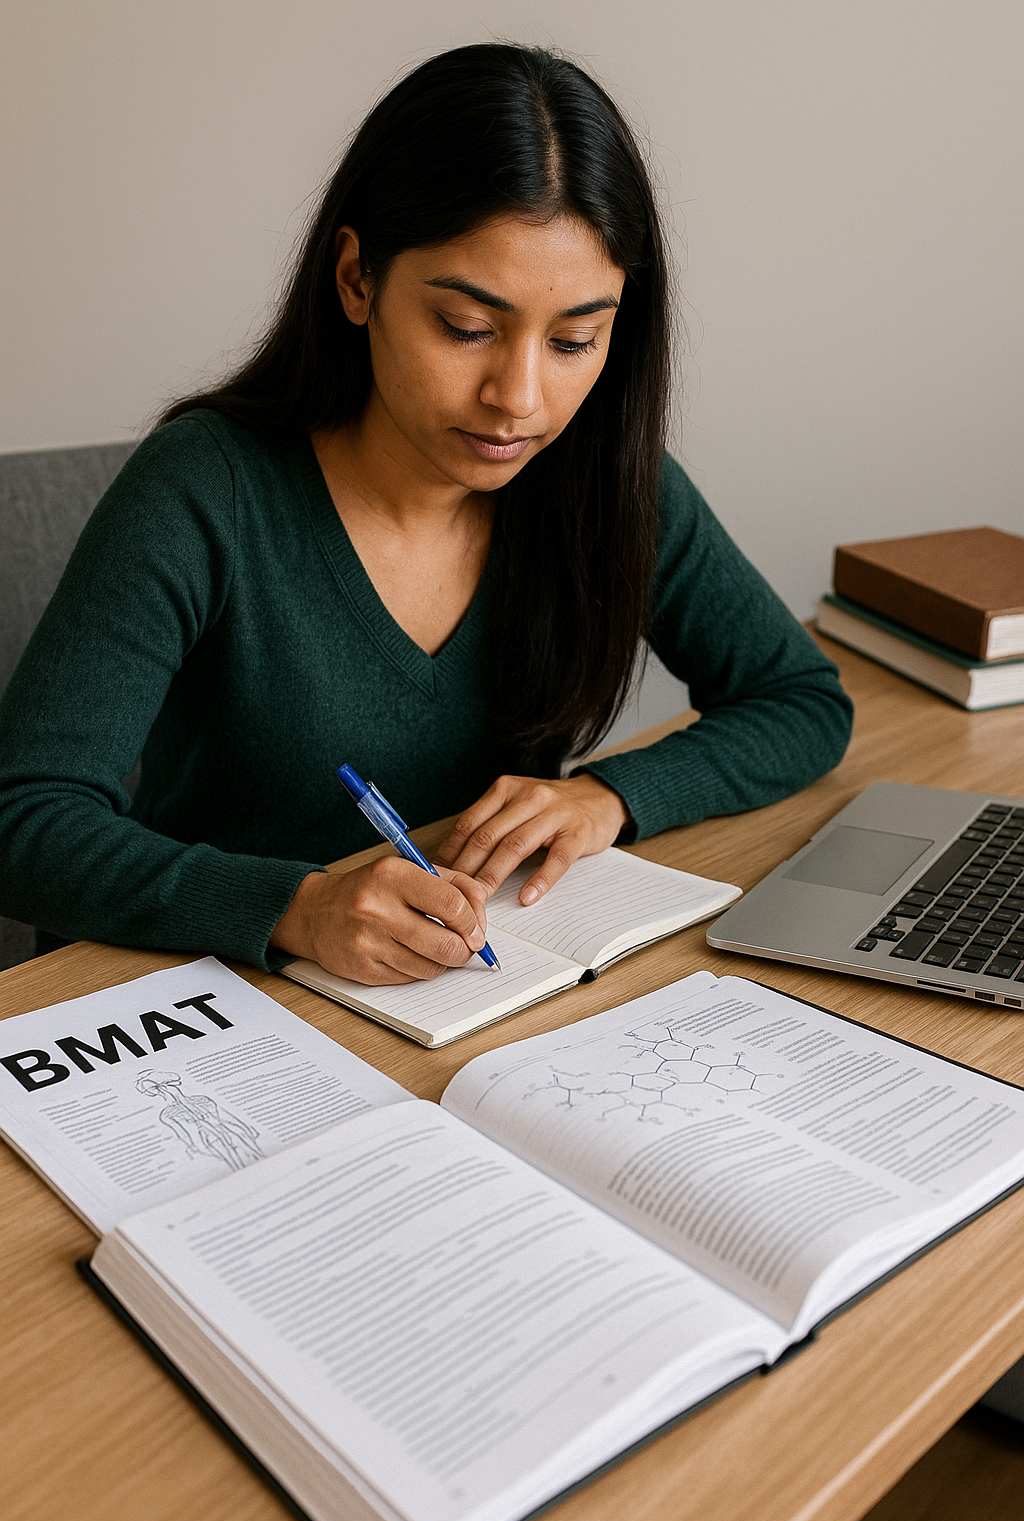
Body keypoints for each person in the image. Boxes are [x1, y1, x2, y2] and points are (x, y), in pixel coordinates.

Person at [0, 43, 852, 987]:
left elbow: (802, 702)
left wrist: (611, 794)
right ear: (358, 278)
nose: (519, 398)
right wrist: (291, 905)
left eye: (576, 339)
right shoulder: (206, 488)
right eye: (467, 329)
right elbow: (25, 817)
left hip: (467, 999)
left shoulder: (606, 481)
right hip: (213, 998)